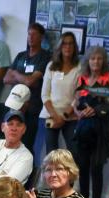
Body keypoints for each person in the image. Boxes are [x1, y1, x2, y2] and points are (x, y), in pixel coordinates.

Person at [72, 46, 109, 198]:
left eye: (99, 58)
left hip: (101, 128)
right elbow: (76, 103)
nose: (96, 61)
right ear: (87, 61)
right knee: (82, 167)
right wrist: (79, 112)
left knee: (96, 167)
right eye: (92, 58)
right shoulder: (82, 79)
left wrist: (97, 110)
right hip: (83, 127)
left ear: (104, 61)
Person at [5, 22, 52, 153]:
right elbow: (6, 79)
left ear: (41, 37)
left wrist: (16, 74)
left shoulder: (45, 57)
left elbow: (31, 82)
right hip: (14, 106)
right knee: (11, 141)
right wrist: (20, 76)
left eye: (34, 34)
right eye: (29, 34)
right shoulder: (21, 55)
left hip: (32, 108)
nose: (30, 37)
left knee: (26, 145)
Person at [36, 31, 80, 167]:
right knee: (51, 155)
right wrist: (56, 116)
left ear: (75, 47)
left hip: (71, 116)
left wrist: (65, 115)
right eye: (65, 44)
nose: (68, 47)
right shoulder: (51, 66)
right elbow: (45, 94)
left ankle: (69, 186)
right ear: (60, 46)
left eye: (71, 44)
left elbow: (78, 95)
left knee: (74, 154)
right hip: (50, 115)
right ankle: (51, 187)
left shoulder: (79, 67)